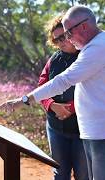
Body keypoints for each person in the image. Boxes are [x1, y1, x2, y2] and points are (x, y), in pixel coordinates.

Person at [0, 5, 105, 180]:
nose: (66, 39)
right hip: (94, 128)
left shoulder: (99, 48)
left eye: (68, 33)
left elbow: (64, 80)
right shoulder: (95, 45)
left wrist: (24, 100)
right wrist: (51, 105)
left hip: (104, 129)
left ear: (83, 26)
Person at [38, 14, 88, 180]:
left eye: (63, 36)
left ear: (72, 32)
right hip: (55, 128)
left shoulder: (88, 56)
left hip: (83, 129)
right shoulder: (54, 59)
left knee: (84, 174)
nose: (60, 42)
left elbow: (94, 90)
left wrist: (71, 108)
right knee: (60, 173)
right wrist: (52, 105)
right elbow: (42, 86)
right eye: (56, 40)